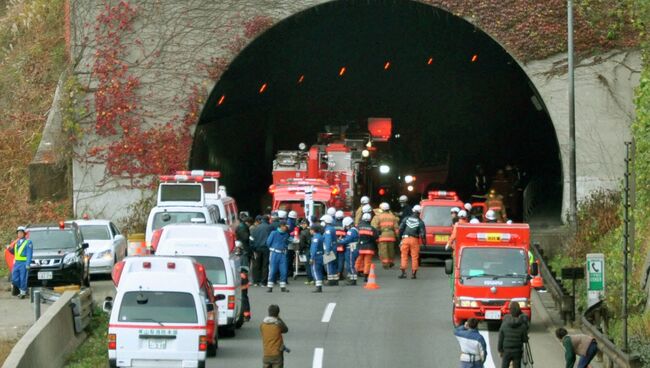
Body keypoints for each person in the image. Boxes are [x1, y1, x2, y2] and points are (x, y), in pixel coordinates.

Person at [497, 301, 529, 368]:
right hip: (517, 351)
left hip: (506, 351)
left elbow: (500, 339)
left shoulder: (504, 324)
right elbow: (525, 340)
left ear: (510, 310)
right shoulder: (522, 326)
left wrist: (500, 350)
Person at [398, 205, 426, 279]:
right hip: (414, 240)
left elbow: (400, 229)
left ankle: (403, 273)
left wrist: (399, 239)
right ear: (420, 213)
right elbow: (422, 234)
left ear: (413, 211)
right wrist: (424, 243)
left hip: (405, 239)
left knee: (404, 256)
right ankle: (413, 274)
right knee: (414, 257)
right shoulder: (420, 222)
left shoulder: (406, 219)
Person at [371, 202, 399, 269]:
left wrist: (375, 237)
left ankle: (385, 264)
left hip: (382, 236)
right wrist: (398, 236)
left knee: (383, 250)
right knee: (391, 250)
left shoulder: (378, 217)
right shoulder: (393, 217)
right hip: (391, 236)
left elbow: (374, 228)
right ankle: (391, 262)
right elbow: (396, 228)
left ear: (382, 209)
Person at [7, 226, 32, 298]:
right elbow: (15, 253)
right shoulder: (16, 242)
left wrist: (28, 264)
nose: (19, 234)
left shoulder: (28, 242)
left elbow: (29, 254)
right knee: (14, 279)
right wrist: (9, 249)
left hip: (24, 263)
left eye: (21, 233)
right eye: (18, 233)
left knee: (23, 278)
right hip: (17, 263)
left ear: (24, 234)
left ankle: (23, 293)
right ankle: (24, 289)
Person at [266, 222, 290, 292]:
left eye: (285, 226)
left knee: (284, 271)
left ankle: (283, 287)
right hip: (274, 253)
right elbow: (268, 242)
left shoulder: (286, 234)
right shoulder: (274, 233)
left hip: (282, 253)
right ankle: (270, 287)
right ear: (280, 227)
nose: (285, 227)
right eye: (283, 226)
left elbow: (286, 243)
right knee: (272, 270)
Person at [251, 215, 273, 286]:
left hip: (257, 248)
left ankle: (256, 281)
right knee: (265, 265)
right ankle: (263, 282)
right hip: (266, 248)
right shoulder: (270, 227)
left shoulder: (255, 228)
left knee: (256, 265)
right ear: (268, 220)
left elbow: (252, 239)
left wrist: (253, 248)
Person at [357, 213, 379, 283]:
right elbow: (376, 237)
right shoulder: (372, 229)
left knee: (358, 260)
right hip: (369, 248)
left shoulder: (357, 227)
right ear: (370, 220)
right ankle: (366, 276)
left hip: (359, 247)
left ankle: (355, 273)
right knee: (367, 262)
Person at [338, 216, 359, 285]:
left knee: (350, 264)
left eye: (346, 226)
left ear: (348, 224)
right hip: (352, 249)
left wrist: (339, 241)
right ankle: (352, 278)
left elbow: (347, 240)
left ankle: (353, 280)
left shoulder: (351, 231)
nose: (345, 228)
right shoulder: (354, 230)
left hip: (351, 249)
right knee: (350, 264)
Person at [321, 214, 339, 286]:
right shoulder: (332, 228)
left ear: (326, 222)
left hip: (329, 249)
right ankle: (335, 280)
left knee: (329, 265)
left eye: (322, 221)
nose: (321, 222)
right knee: (333, 264)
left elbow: (328, 241)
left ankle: (330, 280)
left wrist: (327, 250)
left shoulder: (328, 230)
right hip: (333, 248)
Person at [297, 219, 314, 285]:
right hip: (312, 249)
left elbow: (301, 243)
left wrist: (300, 251)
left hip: (306, 250)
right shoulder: (311, 231)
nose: (302, 225)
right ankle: (314, 278)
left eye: (303, 224)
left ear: (306, 224)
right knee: (312, 265)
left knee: (308, 265)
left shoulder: (303, 232)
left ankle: (310, 280)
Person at [309, 224, 325, 292]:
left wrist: (312, 258)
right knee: (319, 270)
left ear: (313, 230)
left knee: (315, 271)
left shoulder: (315, 238)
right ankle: (319, 284)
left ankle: (318, 286)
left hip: (316, 256)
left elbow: (314, 248)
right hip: (321, 255)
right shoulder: (320, 236)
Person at [334, 210, 346, 279]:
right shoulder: (344, 225)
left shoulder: (332, 224)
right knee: (341, 260)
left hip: (334, 245)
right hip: (341, 246)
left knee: (335, 260)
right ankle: (340, 274)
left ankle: (335, 273)